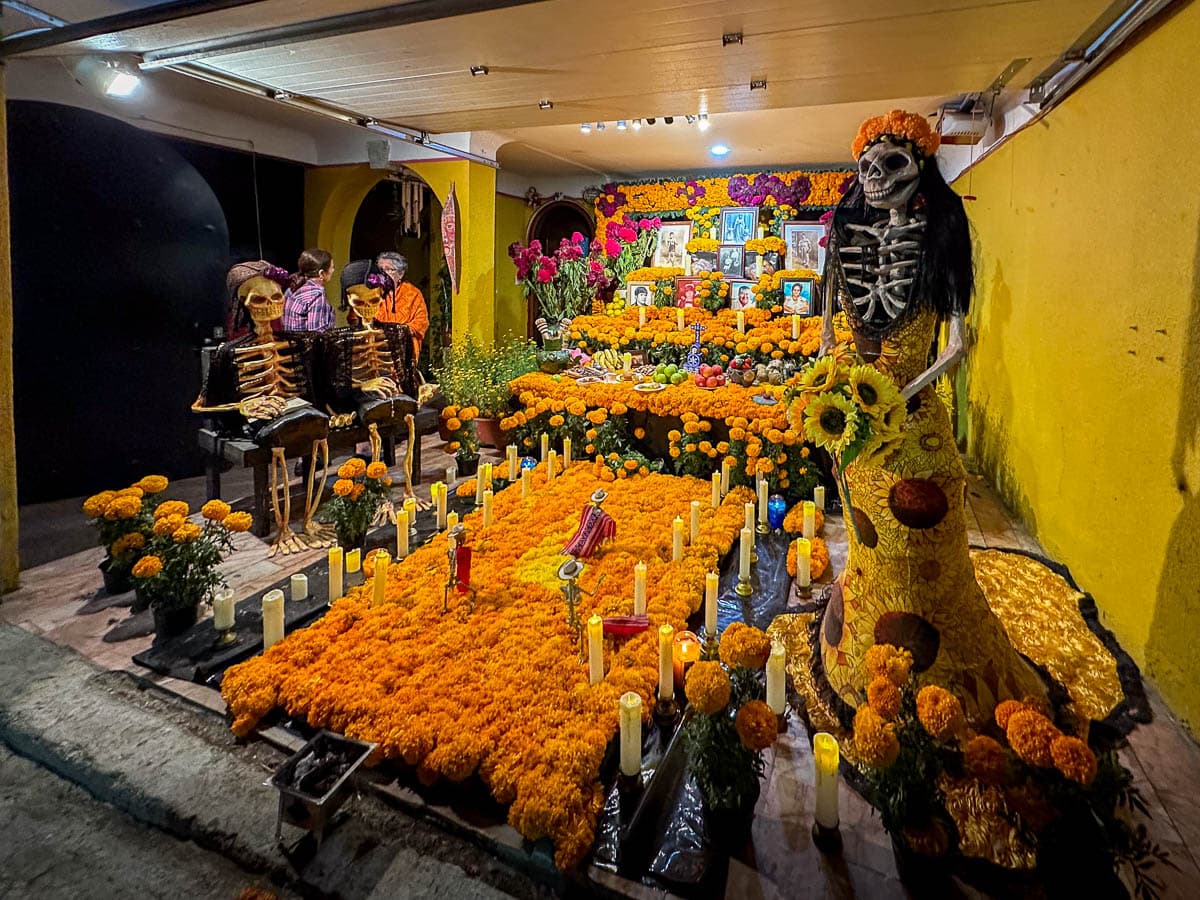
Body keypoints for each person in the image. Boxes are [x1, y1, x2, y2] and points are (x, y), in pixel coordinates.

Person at [373, 252, 429, 355]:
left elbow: (421, 321)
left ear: (400, 274)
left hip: (405, 349)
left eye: (389, 269)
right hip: (377, 349)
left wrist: (401, 331)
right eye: (381, 270)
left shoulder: (412, 293)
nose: (384, 273)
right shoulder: (371, 293)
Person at [281, 248, 336, 331]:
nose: (333, 270)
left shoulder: (291, 289)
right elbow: (316, 334)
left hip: (291, 342)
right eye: (332, 267)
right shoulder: (316, 295)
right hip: (305, 343)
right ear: (321, 273)